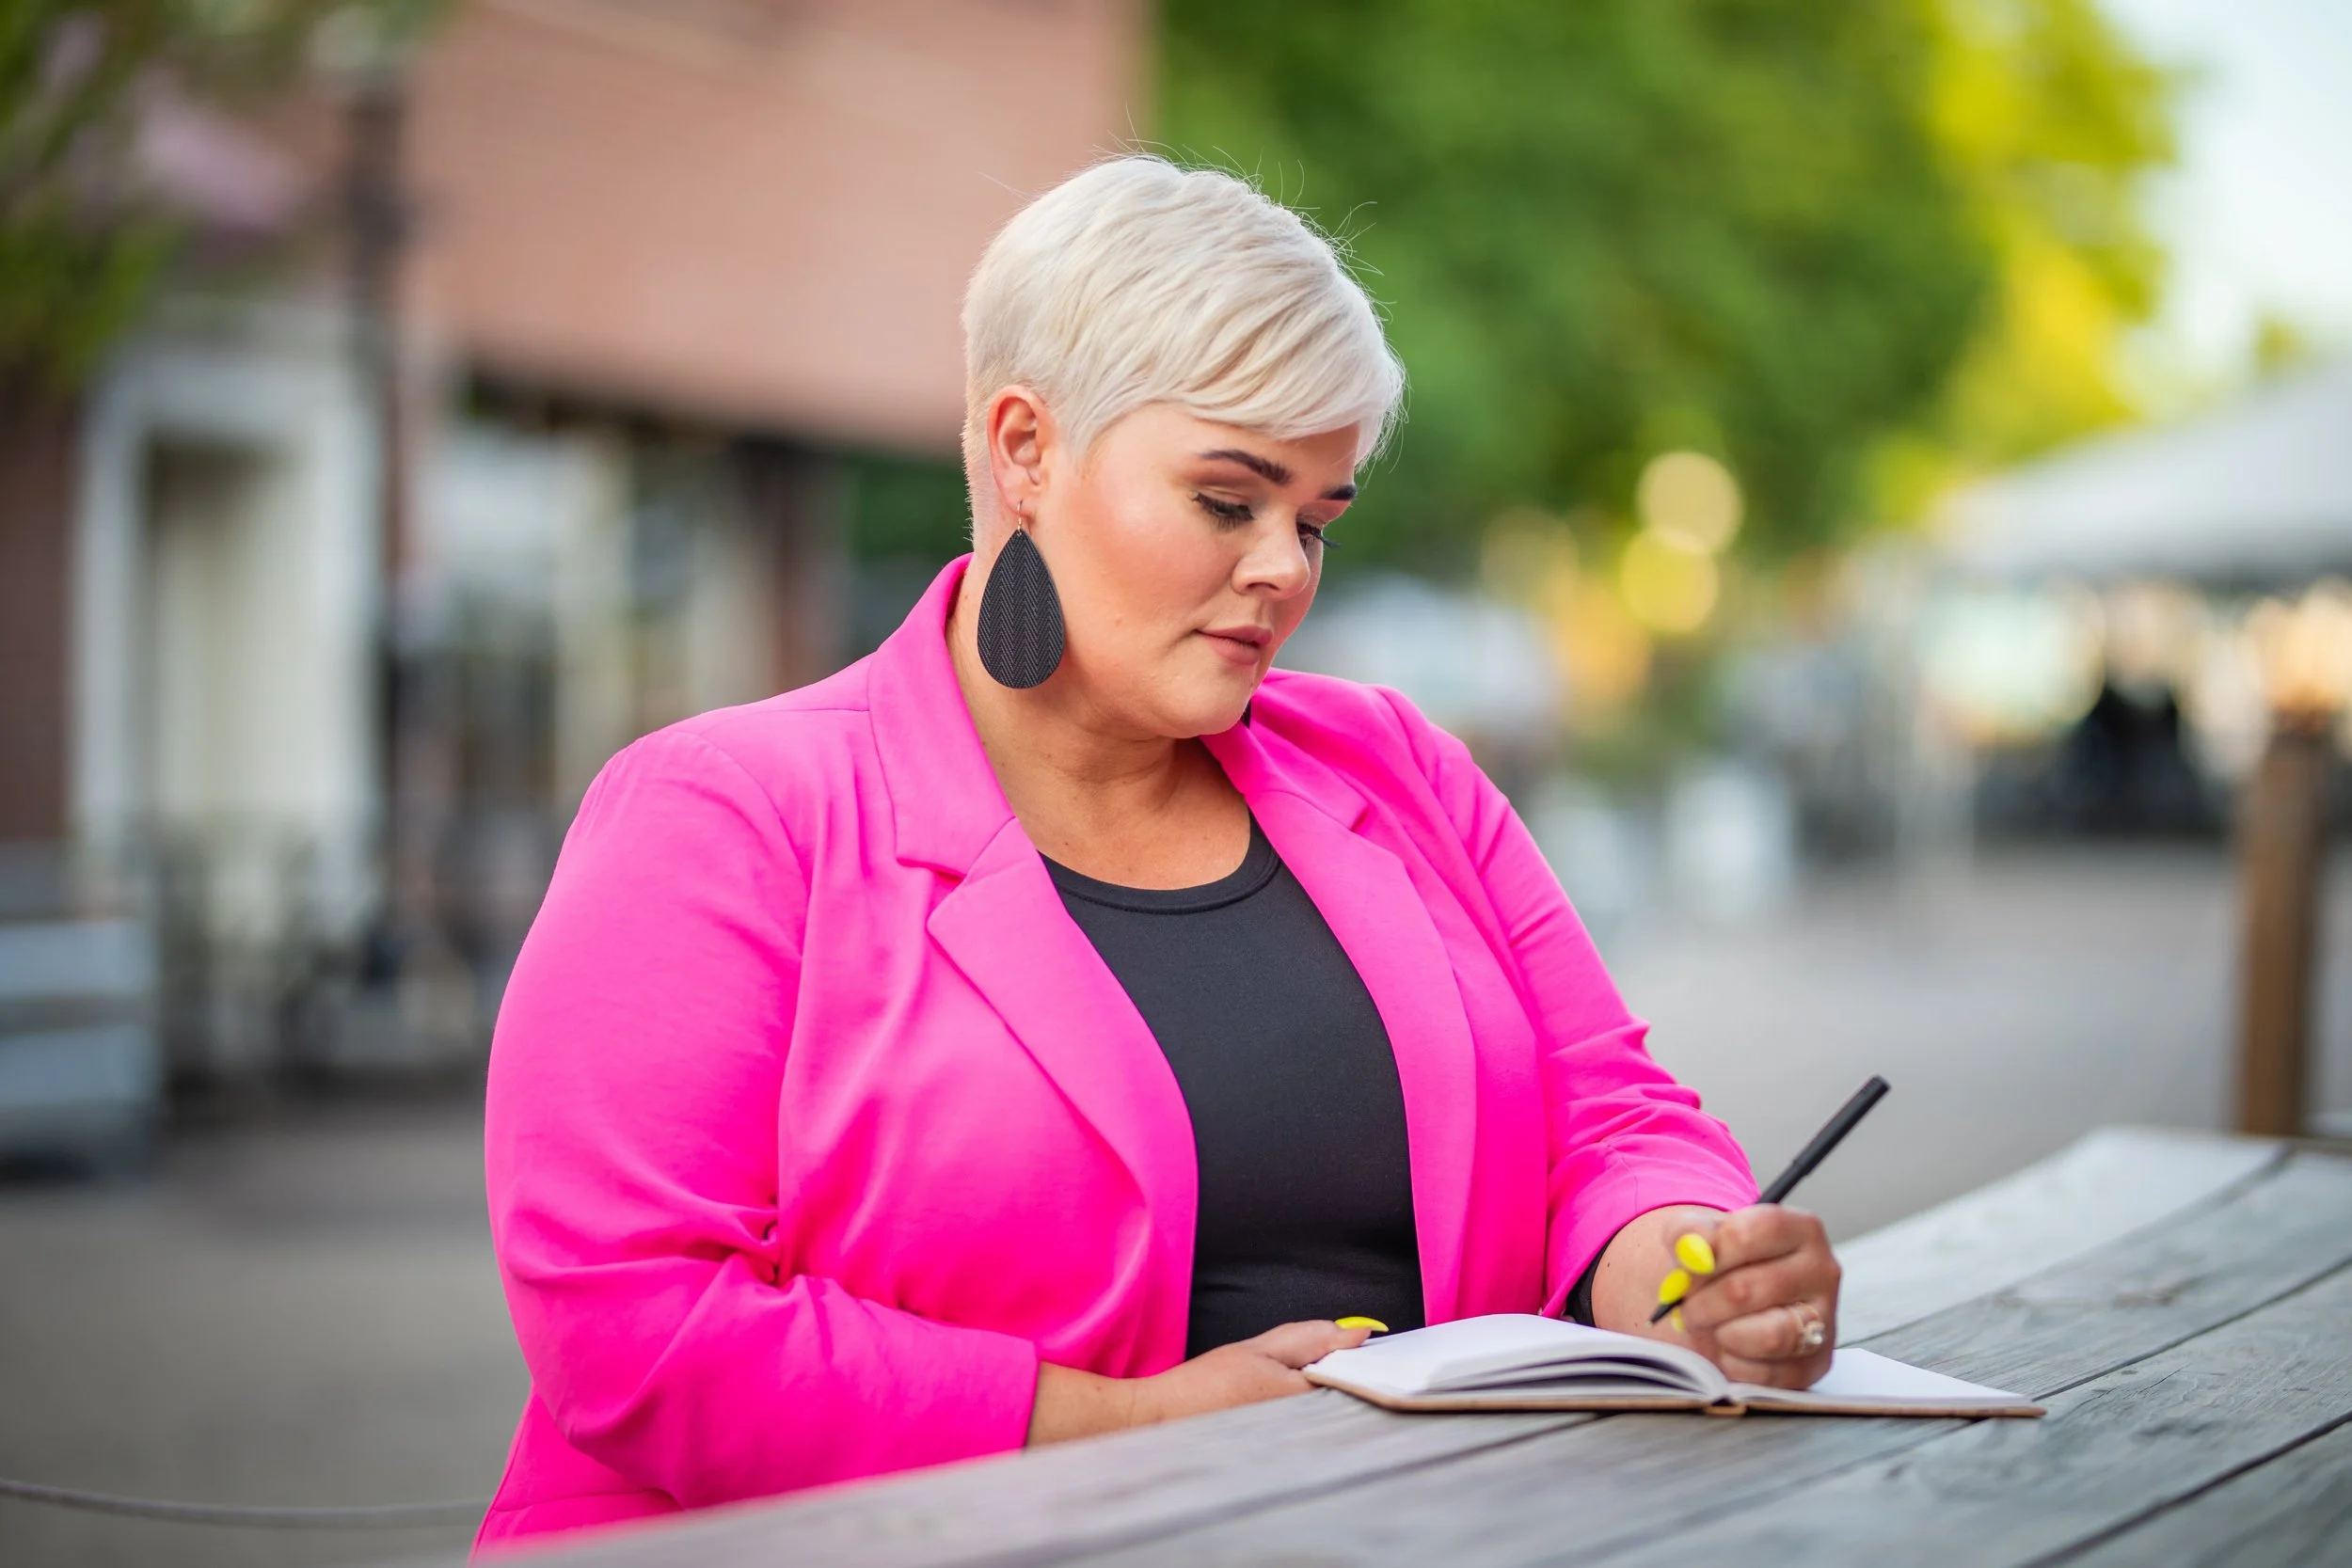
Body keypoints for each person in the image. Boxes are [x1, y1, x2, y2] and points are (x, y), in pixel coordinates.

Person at [473, 155, 1840, 1553]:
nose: (1284, 571)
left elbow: (1611, 1116)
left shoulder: (1399, 768)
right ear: (1024, 451)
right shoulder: (726, 815)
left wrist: (1686, 1267)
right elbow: (632, 1318)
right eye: (1228, 500)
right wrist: (1119, 1427)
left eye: (1315, 518)